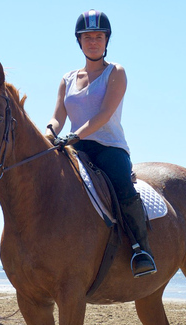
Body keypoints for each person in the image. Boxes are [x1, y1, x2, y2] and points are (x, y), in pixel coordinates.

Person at [46, 9, 156, 278]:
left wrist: (76, 135)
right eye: (87, 37)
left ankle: (140, 249)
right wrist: (48, 133)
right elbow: (58, 116)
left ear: (107, 40)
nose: (93, 41)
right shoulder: (67, 79)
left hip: (108, 148)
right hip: (76, 147)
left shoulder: (115, 72)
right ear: (79, 41)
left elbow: (105, 114)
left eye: (98, 36)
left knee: (122, 188)